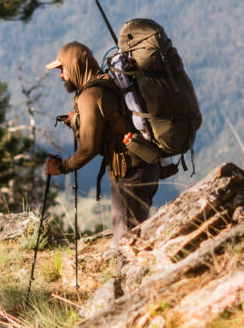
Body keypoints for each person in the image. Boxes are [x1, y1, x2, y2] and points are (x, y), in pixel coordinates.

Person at [44, 41, 160, 245]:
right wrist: (77, 121)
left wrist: (62, 168)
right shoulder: (106, 82)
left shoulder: (90, 95)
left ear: (75, 66)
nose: (61, 75)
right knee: (137, 239)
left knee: (127, 244)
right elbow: (109, 120)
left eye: (62, 68)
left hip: (130, 175)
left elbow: (89, 148)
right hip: (144, 168)